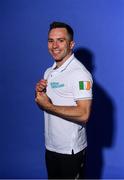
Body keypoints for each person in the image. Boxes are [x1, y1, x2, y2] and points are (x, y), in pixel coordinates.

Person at [35, 21, 93, 179]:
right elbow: (45, 105)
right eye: (50, 40)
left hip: (70, 150)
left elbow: (84, 114)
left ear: (71, 44)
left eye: (60, 40)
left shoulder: (79, 73)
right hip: (51, 146)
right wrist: (40, 96)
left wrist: (48, 105)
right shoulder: (49, 71)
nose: (54, 45)